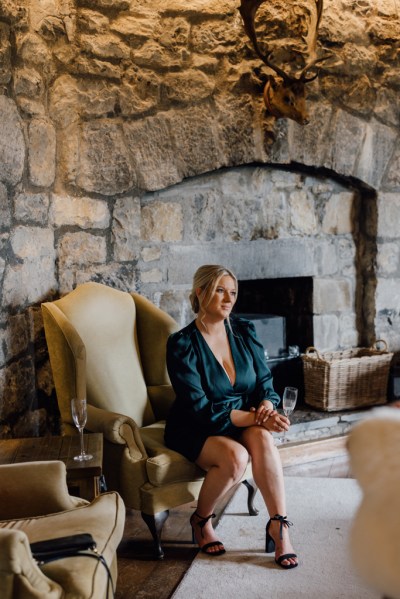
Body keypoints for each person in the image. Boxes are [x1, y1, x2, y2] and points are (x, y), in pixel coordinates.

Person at [164, 264, 298, 569]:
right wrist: (256, 418)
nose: (229, 299)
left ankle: (279, 525)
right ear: (200, 293)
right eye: (220, 290)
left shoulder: (244, 330)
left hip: (242, 416)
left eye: (233, 292)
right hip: (196, 424)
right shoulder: (182, 344)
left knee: (263, 437)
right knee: (236, 457)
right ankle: (201, 521)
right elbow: (199, 408)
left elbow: (265, 382)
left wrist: (265, 406)